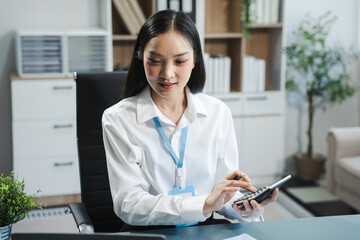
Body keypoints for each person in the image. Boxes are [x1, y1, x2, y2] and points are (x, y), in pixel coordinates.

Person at [102, 9, 278, 229]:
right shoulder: (118, 120)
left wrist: (244, 207)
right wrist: (204, 203)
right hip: (148, 233)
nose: (167, 73)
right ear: (140, 58)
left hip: (202, 231)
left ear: (195, 59)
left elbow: (223, 193)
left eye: (180, 61)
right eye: (155, 61)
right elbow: (129, 204)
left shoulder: (218, 113)